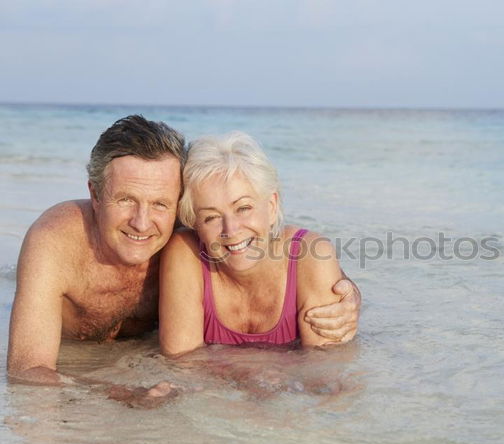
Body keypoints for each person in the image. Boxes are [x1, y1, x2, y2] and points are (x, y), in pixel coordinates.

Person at [7, 116, 360, 389]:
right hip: (79, 365)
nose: (142, 222)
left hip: (143, 360)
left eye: (160, 203)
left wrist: (346, 290)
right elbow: (27, 373)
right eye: (126, 199)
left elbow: (256, 235)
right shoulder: (55, 241)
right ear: (95, 195)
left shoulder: (188, 233)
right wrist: (115, 392)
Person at [159, 131, 350, 355]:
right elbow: (181, 367)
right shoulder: (184, 252)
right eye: (211, 217)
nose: (231, 230)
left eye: (243, 208)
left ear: (271, 206)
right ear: (195, 224)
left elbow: (327, 374)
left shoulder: (312, 256)